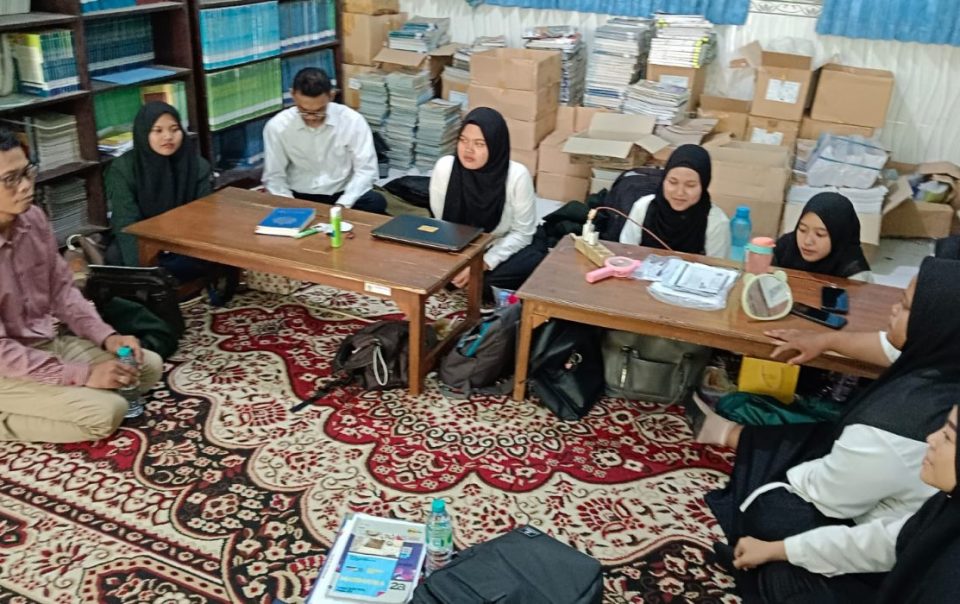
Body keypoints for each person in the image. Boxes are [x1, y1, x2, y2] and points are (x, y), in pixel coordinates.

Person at [695, 257, 960, 601]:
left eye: (907, 306)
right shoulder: (946, 358)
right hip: (885, 509)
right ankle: (742, 438)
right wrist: (824, 340)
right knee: (814, 435)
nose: (893, 309)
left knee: (770, 514)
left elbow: (832, 500)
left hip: (871, 537)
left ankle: (744, 443)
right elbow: (887, 346)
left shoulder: (894, 429)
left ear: (932, 326)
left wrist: (784, 530)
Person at [0, 128, 163, 443]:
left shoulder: (33, 219)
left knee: (145, 368)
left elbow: (63, 292)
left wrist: (107, 337)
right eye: (10, 179)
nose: (26, 185)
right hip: (6, 366)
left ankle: (61, 397)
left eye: (27, 172)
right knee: (107, 413)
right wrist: (84, 375)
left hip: (44, 344)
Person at [731, 405, 960, 603]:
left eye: (948, 437)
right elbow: (884, 542)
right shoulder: (945, 505)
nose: (931, 439)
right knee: (781, 572)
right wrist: (778, 550)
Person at [429, 107, 541, 300]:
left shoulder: (517, 176)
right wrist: (460, 262)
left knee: (490, 282)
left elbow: (522, 234)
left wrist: (483, 263)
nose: (468, 150)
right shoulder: (445, 168)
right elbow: (442, 223)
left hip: (503, 242)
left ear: (496, 145)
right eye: (463, 140)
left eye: (479, 144)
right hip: (458, 244)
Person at [262, 67, 386, 214]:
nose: (311, 118)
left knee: (376, 202)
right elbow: (274, 176)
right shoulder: (277, 126)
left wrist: (343, 204)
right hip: (299, 194)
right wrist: (291, 205)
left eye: (319, 111)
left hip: (341, 193)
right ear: (293, 95)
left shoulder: (352, 121)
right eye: (303, 110)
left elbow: (366, 170)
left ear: (331, 96)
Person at [619, 144, 730, 258]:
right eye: (673, 182)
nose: (679, 192)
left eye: (690, 185)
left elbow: (717, 265)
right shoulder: (642, 207)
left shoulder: (716, 222)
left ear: (704, 185)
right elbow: (626, 253)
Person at [774, 192, 872, 281]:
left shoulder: (855, 274)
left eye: (820, 234)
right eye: (802, 230)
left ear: (838, 237)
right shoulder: (787, 245)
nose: (807, 241)